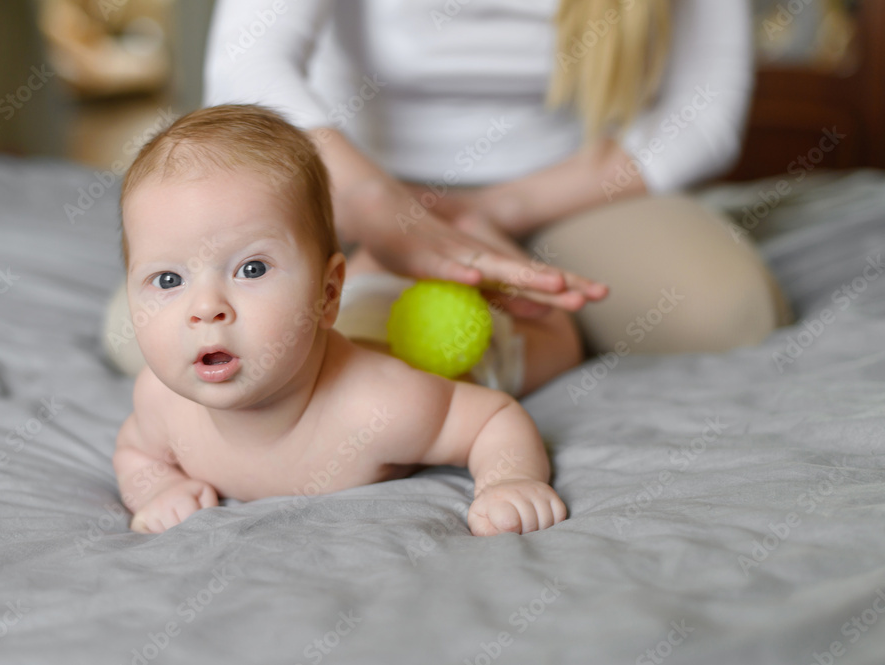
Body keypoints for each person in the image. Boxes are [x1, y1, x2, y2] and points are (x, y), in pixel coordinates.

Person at [195, 0, 793, 362]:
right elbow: (246, 63)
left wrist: (496, 209)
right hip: (348, 177)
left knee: (729, 314)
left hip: (570, 184)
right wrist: (377, 205)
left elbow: (705, 115)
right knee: (172, 334)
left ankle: (531, 329)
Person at [114, 104, 567, 536]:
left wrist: (509, 480)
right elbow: (135, 451)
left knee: (559, 339)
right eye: (168, 278)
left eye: (251, 269)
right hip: (358, 306)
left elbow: (493, 420)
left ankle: (477, 229)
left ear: (327, 293)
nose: (205, 308)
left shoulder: (380, 407)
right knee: (375, 286)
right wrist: (158, 487)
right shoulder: (160, 403)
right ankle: (416, 235)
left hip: (423, 342)